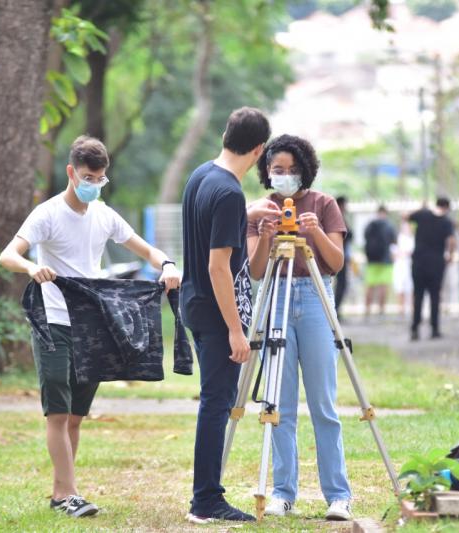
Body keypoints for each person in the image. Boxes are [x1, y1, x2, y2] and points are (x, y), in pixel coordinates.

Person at [0, 135, 182, 517]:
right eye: (87, 177)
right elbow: (8, 254)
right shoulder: (47, 214)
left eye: (99, 179)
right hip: (53, 322)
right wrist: (33, 267)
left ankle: (60, 494)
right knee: (59, 413)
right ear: (71, 172)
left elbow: (147, 250)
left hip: (92, 326)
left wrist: (166, 265)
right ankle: (70, 494)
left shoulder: (105, 216)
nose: (93, 185)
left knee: (77, 417)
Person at [180, 107, 280, 524]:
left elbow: (211, 235)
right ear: (258, 150)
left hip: (195, 303)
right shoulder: (228, 193)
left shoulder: (203, 176)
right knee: (216, 404)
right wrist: (236, 332)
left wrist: (246, 217)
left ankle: (206, 495)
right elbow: (218, 266)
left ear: (226, 134)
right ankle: (206, 500)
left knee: (214, 402)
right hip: (217, 312)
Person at [248, 134, 353, 521]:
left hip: (314, 296)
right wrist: (263, 237)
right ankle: (282, 492)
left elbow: (336, 262)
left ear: (305, 169)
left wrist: (315, 232)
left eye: (292, 170)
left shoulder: (323, 204)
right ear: (267, 172)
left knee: (324, 403)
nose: (285, 177)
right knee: (280, 403)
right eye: (278, 170)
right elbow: (257, 270)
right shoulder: (260, 209)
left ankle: (338, 494)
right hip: (276, 293)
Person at [408, 197, 455, 341]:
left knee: (418, 295)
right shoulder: (447, 222)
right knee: (435, 296)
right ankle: (434, 329)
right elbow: (452, 241)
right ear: (447, 207)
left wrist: (421, 207)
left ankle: (415, 329)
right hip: (436, 263)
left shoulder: (423, 214)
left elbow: (406, 217)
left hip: (419, 261)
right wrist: (450, 256)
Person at [364, 206, 396, 317]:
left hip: (372, 260)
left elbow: (365, 238)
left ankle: (367, 309)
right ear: (386, 213)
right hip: (386, 260)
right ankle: (381, 310)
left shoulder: (370, 224)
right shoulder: (389, 225)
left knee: (370, 285)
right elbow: (393, 242)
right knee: (383, 285)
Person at [333, 195, 353, 321]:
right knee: (341, 284)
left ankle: (336, 310)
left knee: (342, 284)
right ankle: (334, 311)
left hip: (343, 254)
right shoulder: (336, 218)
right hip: (338, 255)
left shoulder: (341, 217)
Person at [392, 218, 415, 317]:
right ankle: (401, 309)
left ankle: (412, 309)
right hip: (400, 265)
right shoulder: (398, 238)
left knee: (411, 288)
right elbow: (394, 252)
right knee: (400, 288)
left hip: (410, 265)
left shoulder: (413, 238)